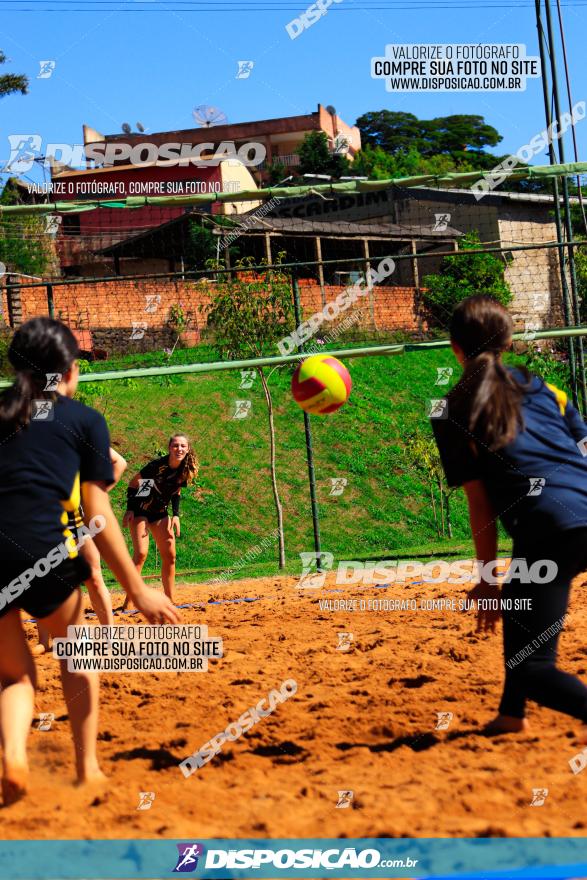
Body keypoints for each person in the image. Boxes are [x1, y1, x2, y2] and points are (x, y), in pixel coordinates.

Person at [0, 317, 179, 806]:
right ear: (69, 371)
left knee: (13, 676)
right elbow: (98, 511)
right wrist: (138, 590)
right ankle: (87, 767)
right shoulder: (83, 421)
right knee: (76, 656)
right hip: (46, 554)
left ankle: (14, 756)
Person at [431, 294, 587, 738]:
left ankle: (525, 705)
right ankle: (510, 715)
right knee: (523, 612)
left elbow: (479, 502)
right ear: (509, 340)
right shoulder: (542, 387)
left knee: (537, 667)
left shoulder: (451, 409)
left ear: (454, 348)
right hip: (573, 515)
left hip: (547, 529)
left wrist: (486, 576)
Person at [34, 447, 127, 655]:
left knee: (93, 577)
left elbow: (119, 462)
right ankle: (44, 641)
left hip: (79, 524)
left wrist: (97, 495)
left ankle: (109, 637)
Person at [122, 434, 199, 608]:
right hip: (141, 510)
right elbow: (134, 484)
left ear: (187, 449)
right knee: (141, 554)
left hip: (159, 513)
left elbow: (176, 491)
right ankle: (128, 602)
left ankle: (170, 601)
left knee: (170, 556)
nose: (179, 449)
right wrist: (131, 509)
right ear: (169, 447)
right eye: (175, 445)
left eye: (182, 446)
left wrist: (176, 515)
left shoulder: (185, 468)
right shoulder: (157, 466)